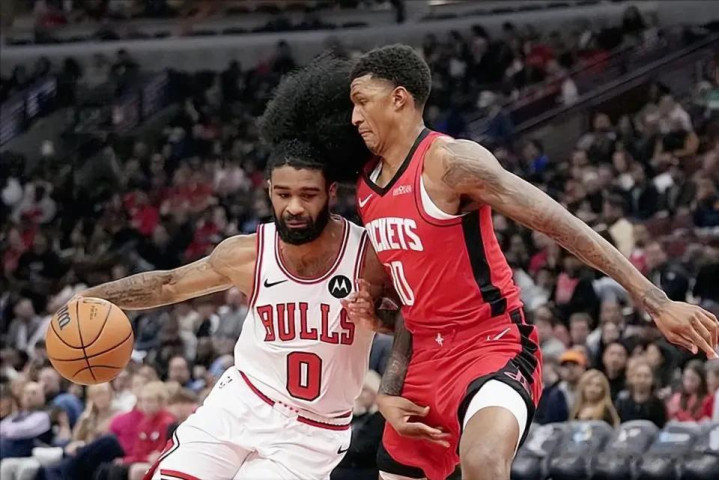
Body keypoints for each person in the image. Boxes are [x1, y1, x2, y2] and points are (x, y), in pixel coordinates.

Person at [338, 44, 717, 480]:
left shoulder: (449, 162)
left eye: (362, 102)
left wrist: (654, 300)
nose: (355, 117)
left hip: (491, 345)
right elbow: (411, 304)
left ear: (399, 99)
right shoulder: (367, 188)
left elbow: (557, 222)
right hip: (424, 362)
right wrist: (388, 384)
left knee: (483, 460)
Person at [71, 56, 392, 479]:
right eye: (283, 194)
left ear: (331, 192)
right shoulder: (247, 254)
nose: (294, 207)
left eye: (308, 194)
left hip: (311, 432)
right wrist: (89, 297)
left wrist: (380, 320)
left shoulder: (368, 254)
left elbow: (413, 320)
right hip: (240, 404)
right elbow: (167, 285)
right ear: (268, 191)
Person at [615, 361, 667, 428]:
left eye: (646, 376)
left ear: (652, 379)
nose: (642, 380)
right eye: (638, 376)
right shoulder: (622, 403)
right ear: (631, 379)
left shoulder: (658, 405)